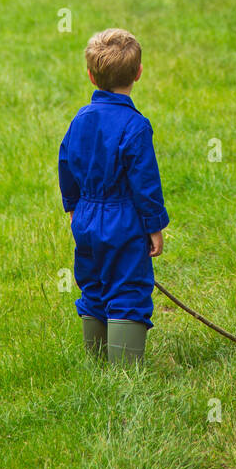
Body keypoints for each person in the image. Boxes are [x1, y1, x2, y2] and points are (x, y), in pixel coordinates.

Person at [58, 27, 168, 365]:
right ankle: (124, 370)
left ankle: (95, 358)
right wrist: (154, 227)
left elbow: (66, 162)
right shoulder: (136, 126)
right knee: (128, 286)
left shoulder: (80, 119)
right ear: (138, 73)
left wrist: (73, 206)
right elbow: (145, 183)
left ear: (91, 76)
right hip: (123, 221)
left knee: (92, 281)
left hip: (87, 217)